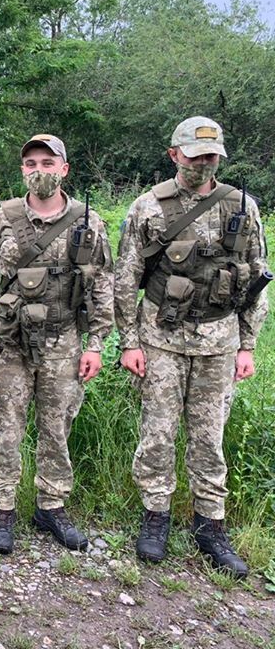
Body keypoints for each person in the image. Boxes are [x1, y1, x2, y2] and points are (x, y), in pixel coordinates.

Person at [115, 117, 269, 577]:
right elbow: (126, 278)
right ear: (174, 155)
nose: (205, 162)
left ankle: (210, 527)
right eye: (196, 154)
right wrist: (129, 342)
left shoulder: (243, 207)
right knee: (158, 433)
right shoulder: (148, 207)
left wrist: (247, 345)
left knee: (209, 439)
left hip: (220, 341)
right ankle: (155, 517)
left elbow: (257, 278)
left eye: (212, 155)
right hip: (160, 336)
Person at [0, 134, 114, 554]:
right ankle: (3, 508)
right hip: (10, 341)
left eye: (48, 163)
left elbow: (102, 285)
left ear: (64, 169)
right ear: (22, 170)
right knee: (6, 427)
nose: (39, 170)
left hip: (64, 341)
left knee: (56, 428)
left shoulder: (88, 222)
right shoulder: (3, 218)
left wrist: (96, 343)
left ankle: (51, 506)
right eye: (31, 163)